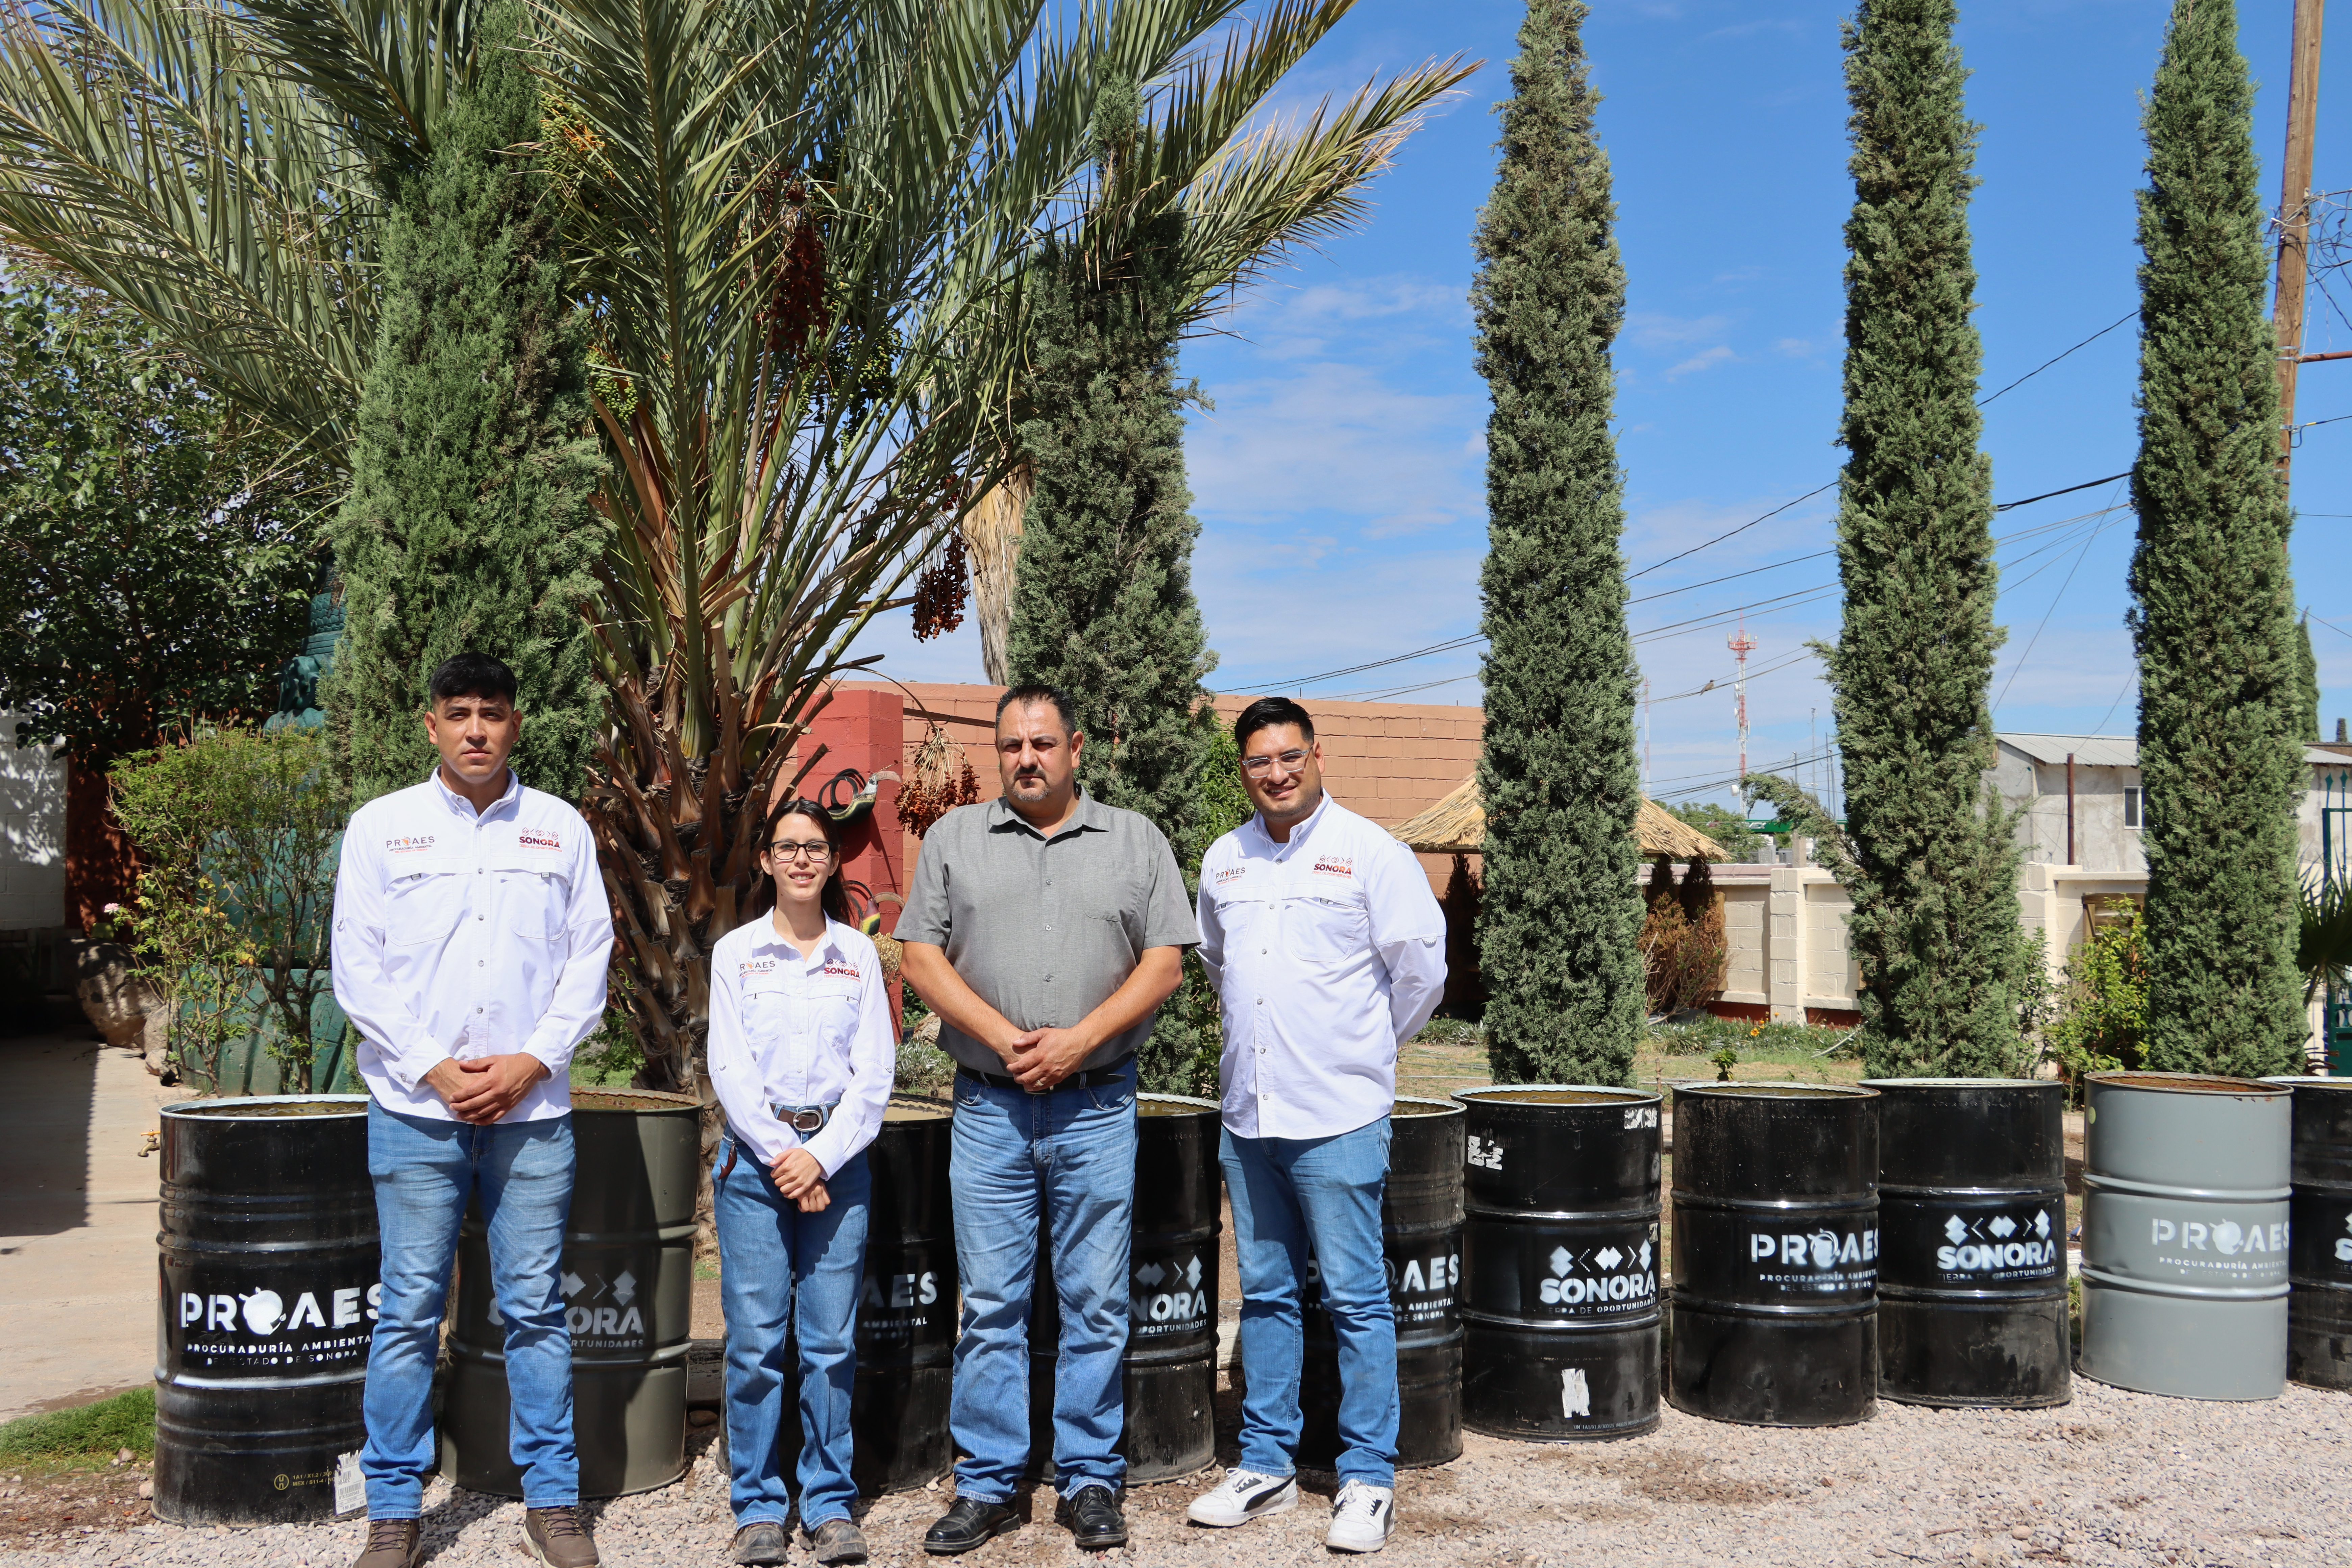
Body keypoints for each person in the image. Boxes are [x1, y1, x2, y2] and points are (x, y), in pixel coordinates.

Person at [896, 684, 1194, 1555]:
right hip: (990, 1109)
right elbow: (920, 956)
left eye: (1043, 743)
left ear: (1075, 751)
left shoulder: (1135, 839)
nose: (1027, 758)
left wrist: (1079, 1042)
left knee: (1095, 1302)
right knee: (991, 1303)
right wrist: (1005, 1039)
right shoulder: (955, 837)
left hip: (1096, 1106)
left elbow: (1165, 964)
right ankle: (988, 1483)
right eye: (1012, 745)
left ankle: (1090, 1479)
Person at [331, 653, 613, 1568]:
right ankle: (395, 1511)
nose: (478, 730)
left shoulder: (559, 830)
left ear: (516, 724)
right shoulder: (384, 830)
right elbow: (358, 971)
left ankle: (555, 1501)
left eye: (494, 713)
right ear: (431, 726)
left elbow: (589, 960)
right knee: (410, 1309)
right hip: (415, 1111)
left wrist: (531, 1062)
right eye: (460, 714)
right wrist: (437, 1071)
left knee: (534, 1307)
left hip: (533, 1116)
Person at [1185, 697, 1446, 1554]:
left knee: (1357, 1298)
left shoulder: (1373, 853)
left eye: (1290, 755)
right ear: (1244, 769)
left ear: (1317, 753)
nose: (1277, 773)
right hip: (1249, 1115)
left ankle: (1368, 1476)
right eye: (1259, 761)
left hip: (1338, 1116)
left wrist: (1363, 1054)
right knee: (1264, 1294)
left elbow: (1420, 977)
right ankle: (1266, 1460)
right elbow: (1221, 963)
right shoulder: (1225, 860)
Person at [706, 798, 894, 1567]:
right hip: (756, 1164)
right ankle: (758, 1505)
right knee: (755, 1343)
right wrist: (788, 1153)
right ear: (766, 861)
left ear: (831, 859)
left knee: (828, 1340)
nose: (802, 859)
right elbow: (728, 1065)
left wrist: (822, 1158)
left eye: (816, 846)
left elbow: (876, 1074)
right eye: (788, 847)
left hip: (839, 1167)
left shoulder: (859, 955)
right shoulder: (736, 953)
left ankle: (828, 1500)